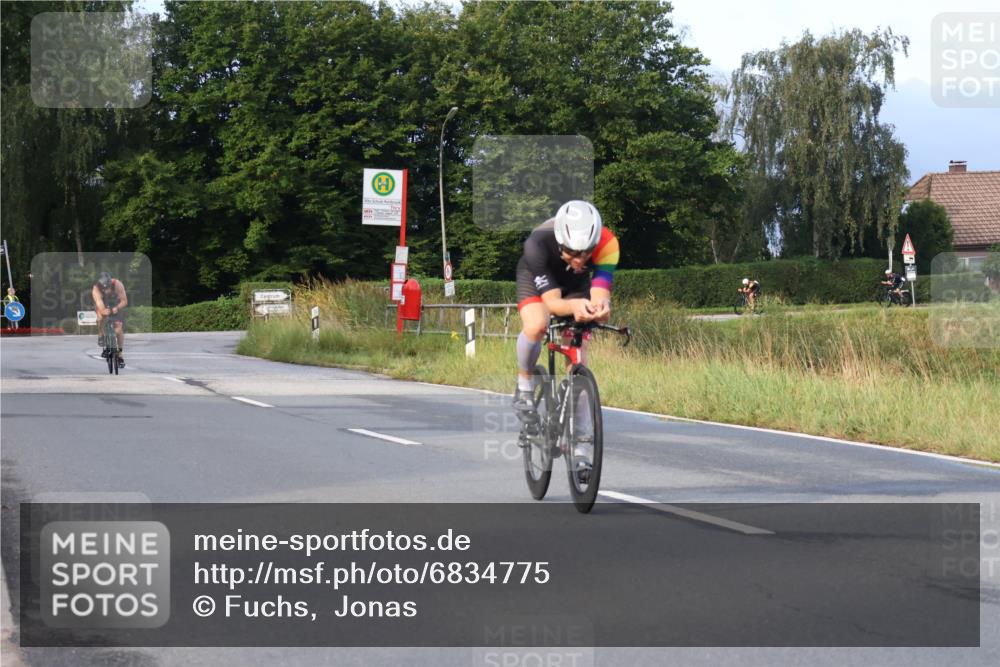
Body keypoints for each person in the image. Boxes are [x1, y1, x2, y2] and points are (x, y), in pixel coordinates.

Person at [512, 200, 620, 466]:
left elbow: (600, 291)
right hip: (538, 277)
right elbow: (552, 303)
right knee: (537, 324)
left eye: (587, 252)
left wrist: (601, 307)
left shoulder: (608, 244)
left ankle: (582, 447)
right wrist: (573, 306)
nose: (580, 259)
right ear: (561, 241)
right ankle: (524, 385)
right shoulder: (536, 244)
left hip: (575, 284)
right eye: (573, 252)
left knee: (579, 355)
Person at [92, 272, 128, 366]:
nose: (106, 290)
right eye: (104, 289)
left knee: (119, 330)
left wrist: (117, 308)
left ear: (111, 283)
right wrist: (104, 311)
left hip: (115, 304)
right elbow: (100, 305)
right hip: (103, 304)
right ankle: (101, 334)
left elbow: (124, 301)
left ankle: (120, 354)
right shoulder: (96, 289)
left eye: (108, 287)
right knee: (100, 318)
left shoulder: (117, 284)